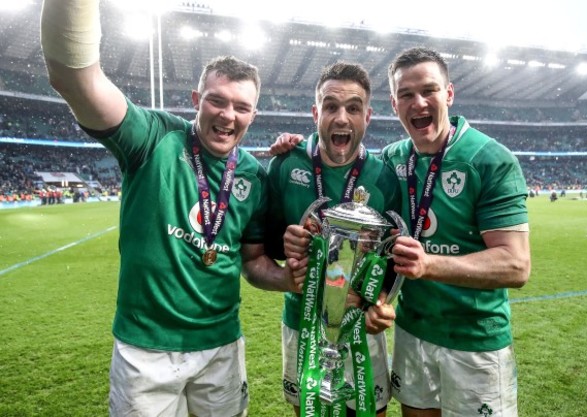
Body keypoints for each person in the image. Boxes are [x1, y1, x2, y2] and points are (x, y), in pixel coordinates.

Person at [40, 1, 297, 416]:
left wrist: (292, 280)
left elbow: (252, 262)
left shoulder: (252, 174)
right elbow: (73, 78)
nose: (228, 115)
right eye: (217, 101)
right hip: (146, 352)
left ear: (254, 114)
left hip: (221, 350)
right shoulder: (152, 138)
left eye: (242, 107)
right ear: (197, 98)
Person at [384, 47, 531, 417]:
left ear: (449, 94)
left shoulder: (490, 158)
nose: (418, 103)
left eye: (429, 90)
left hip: (475, 342)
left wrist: (429, 264)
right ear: (394, 103)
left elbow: (516, 265)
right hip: (412, 332)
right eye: (406, 94)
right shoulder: (391, 160)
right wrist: (298, 148)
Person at [266, 62, 400, 417]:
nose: (342, 117)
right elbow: (265, 245)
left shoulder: (384, 178)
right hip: (303, 322)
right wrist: (286, 244)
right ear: (315, 112)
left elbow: (392, 259)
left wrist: (380, 301)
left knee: (372, 411)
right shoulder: (285, 165)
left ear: (367, 116)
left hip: (360, 327)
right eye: (331, 106)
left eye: (353, 108)